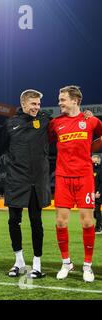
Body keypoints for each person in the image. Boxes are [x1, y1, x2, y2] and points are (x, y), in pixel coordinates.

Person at [48, 85, 102, 283]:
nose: (59, 102)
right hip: (63, 177)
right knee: (61, 222)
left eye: (63, 99)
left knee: (87, 222)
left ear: (75, 100)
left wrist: (89, 148)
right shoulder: (55, 123)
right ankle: (66, 263)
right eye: (59, 98)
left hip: (85, 177)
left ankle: (87, 266)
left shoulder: (90, 121)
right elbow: (49, 141)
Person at [0, 90, 50, 278]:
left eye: (38, 104)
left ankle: (37, 264)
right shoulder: (10, 124)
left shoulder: (45, 120)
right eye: (33, 104)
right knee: (14, 221)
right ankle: (19, 262)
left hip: (37, 180)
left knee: (36, 221)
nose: (37, 107)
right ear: (24, 104)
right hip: (16, 179)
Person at [92, 154, 102, 234]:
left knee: (97, 211)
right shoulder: (92, 170)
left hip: (99, 193)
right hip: (93, 193)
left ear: (99, 160)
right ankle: (100, 224)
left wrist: (99, 191)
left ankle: (98, 227)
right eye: (93, 159)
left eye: (95, 159)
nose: (93, 160)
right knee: (95, 212)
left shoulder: (101, 169)